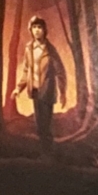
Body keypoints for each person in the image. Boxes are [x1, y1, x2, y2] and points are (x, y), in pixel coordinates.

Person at [12, 15, 67, 155]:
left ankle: (49, 153)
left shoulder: (50, 50)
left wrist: (63, 92)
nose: (37, 30)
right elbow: (26, 70)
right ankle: (43, 152)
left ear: (44, 30)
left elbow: (60, 71)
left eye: (39, 27)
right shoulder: (29, 48)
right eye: (34, 27)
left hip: (47, 91)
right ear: (30, 30)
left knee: (46, 125)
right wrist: (19, 88)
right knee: (39, 124)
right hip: (35, 91)